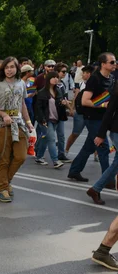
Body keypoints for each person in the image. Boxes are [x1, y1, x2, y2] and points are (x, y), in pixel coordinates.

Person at [0, 57, 34, 203]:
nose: (9, 70)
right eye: (6, 67)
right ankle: (2, 189)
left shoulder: (21, 83)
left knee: (20, 156)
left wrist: (28, 122)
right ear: (3, 70)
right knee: (4, 159)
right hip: (2, 125)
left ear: (17, 68)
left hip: (18, 123)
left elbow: (23, 104)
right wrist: (3, 114)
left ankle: (6, 182)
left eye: (12, 67)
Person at [67, 52, 116, 183]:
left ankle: (74, 171)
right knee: (103, 146)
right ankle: (108, 180)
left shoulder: (111, 78)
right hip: (92, 118)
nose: (114, 64)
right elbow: (85, 101)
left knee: (89, 147)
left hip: (103, 118)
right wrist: (104, 104)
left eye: (115, 62)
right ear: (103, 64)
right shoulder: (95, 79)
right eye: (112, 62)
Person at [87, 74, 118, 205]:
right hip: (117, 131)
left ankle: (95, 189)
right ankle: (95, 189)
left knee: (116, 163)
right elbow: (109, 112)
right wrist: (100, 134)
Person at [34, 72, 67, 169]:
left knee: (45, 138)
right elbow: (38, 108)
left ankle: (39, 157)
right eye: (53, 77)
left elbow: (59, 103)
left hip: (56, 118)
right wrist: (42, 119)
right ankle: (55, 161)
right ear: (48, 79)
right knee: (51, 139)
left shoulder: (58, 91)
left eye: (57, 77)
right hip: (46, 120)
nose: (56, 79)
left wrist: (62, 103)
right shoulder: (42, 92)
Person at [66, 65, 94, 155]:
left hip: (91, 113)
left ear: (89, 74)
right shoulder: (81, 84)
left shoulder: (95, 85)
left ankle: (97, 154)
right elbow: (76, 97)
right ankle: (66, 150)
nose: (82, 75)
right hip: (80, 113)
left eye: (84, 73)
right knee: (75, 133)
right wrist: (72, 108)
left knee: (95, 135)